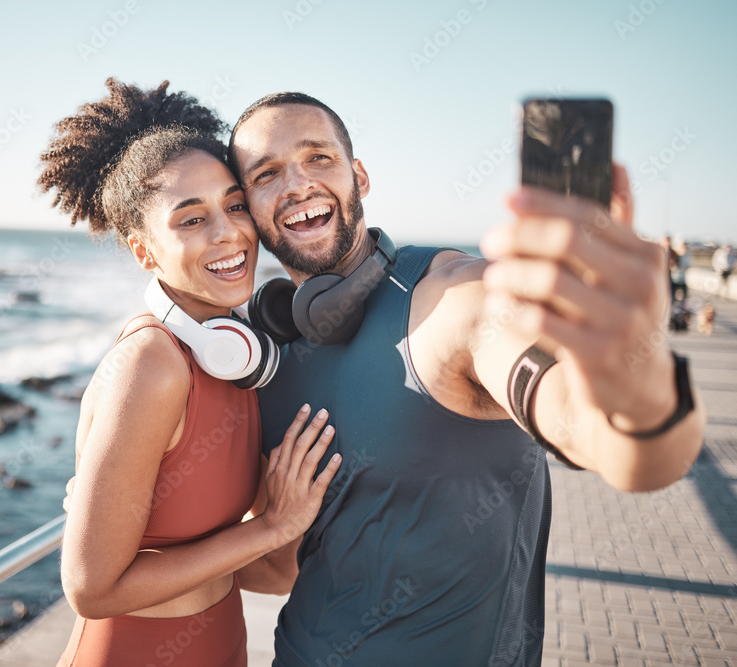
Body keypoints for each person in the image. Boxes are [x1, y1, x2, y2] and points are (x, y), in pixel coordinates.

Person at [227, 92, 706, 665]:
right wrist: (144, 563)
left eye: (319, 158)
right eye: (267, 174)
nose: (298, 184)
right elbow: (281, 566)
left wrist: (637, 387)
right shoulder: (264, 352)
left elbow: (625, 450)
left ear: (359, 176)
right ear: (246, 208)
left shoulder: (455, 298)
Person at [39, 80, 342, 667]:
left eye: (233, 206)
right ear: (144, 252)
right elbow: (90, 588)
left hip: (223, 644)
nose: (228, 232)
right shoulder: (151, 364)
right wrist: (269, 526)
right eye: (190, 219)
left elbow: (275, 572)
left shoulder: (239, 358)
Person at [671, 238, 690, 303]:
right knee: (672, 296)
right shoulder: (676, 255)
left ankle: (683, 307)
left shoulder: (687, 255)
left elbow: (687, 265)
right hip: (675, 279)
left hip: (683, 279)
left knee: (684, 297)